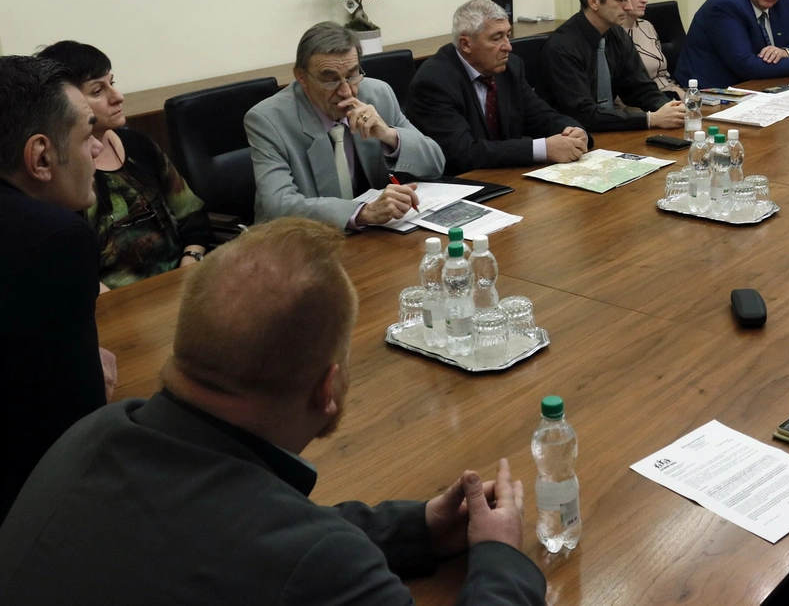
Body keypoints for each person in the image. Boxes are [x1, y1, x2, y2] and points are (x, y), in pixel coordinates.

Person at [0, 217, 546, 605]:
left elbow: (237, 537)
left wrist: (413, 529)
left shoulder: (92, 433)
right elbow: (283, 548)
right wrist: (501, 558)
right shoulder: (323, 569)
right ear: (328, 389)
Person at [0, 56, 110, 522]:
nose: (98, 149)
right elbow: (78, 427)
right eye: (87, 135)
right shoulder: (55, 241)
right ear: (41, 157)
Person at [38, 41, 212, 289]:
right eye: (97, 91)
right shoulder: (61, 173)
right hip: (117, 301)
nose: (118, 97)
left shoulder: (138, 144)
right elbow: (69, 268)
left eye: (112, 83)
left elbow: (192, 216)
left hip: (183, 280)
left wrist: (190, 261)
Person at [245, 21, 445, 228]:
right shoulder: (268, 120)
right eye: (330, 80)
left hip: (377, 236)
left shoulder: (378, 94)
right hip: (303, 238)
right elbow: (277, 205)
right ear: (301, 77)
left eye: (352, 76)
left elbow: (435, 164)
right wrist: (363, 213)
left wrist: (388, 135)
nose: (346, 92)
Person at [407, 0, 588, 175]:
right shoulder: (434, 82)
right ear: (466, 44)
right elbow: (463, 152)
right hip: (458, 182)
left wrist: (571, 130)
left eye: (508, 35)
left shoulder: (510, 67)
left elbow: (539, 115)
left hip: (503, 174)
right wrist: (543, 149)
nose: (508, 47)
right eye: (496, 38)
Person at [544, 0, 686, 132]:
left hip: (611, 130)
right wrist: (650, 119)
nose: (628, 7)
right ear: (594, 1)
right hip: (572, 135)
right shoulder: (562, 47)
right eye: (622, 0)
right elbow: (583, 113)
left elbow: (639, 88)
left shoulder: (616, 34)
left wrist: (670, 109)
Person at [619, 0, 685, 99]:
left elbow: (664, 77)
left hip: (667, 96)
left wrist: (689, 100)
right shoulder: (612, 35)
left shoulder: (646, 26)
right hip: (640, 104)